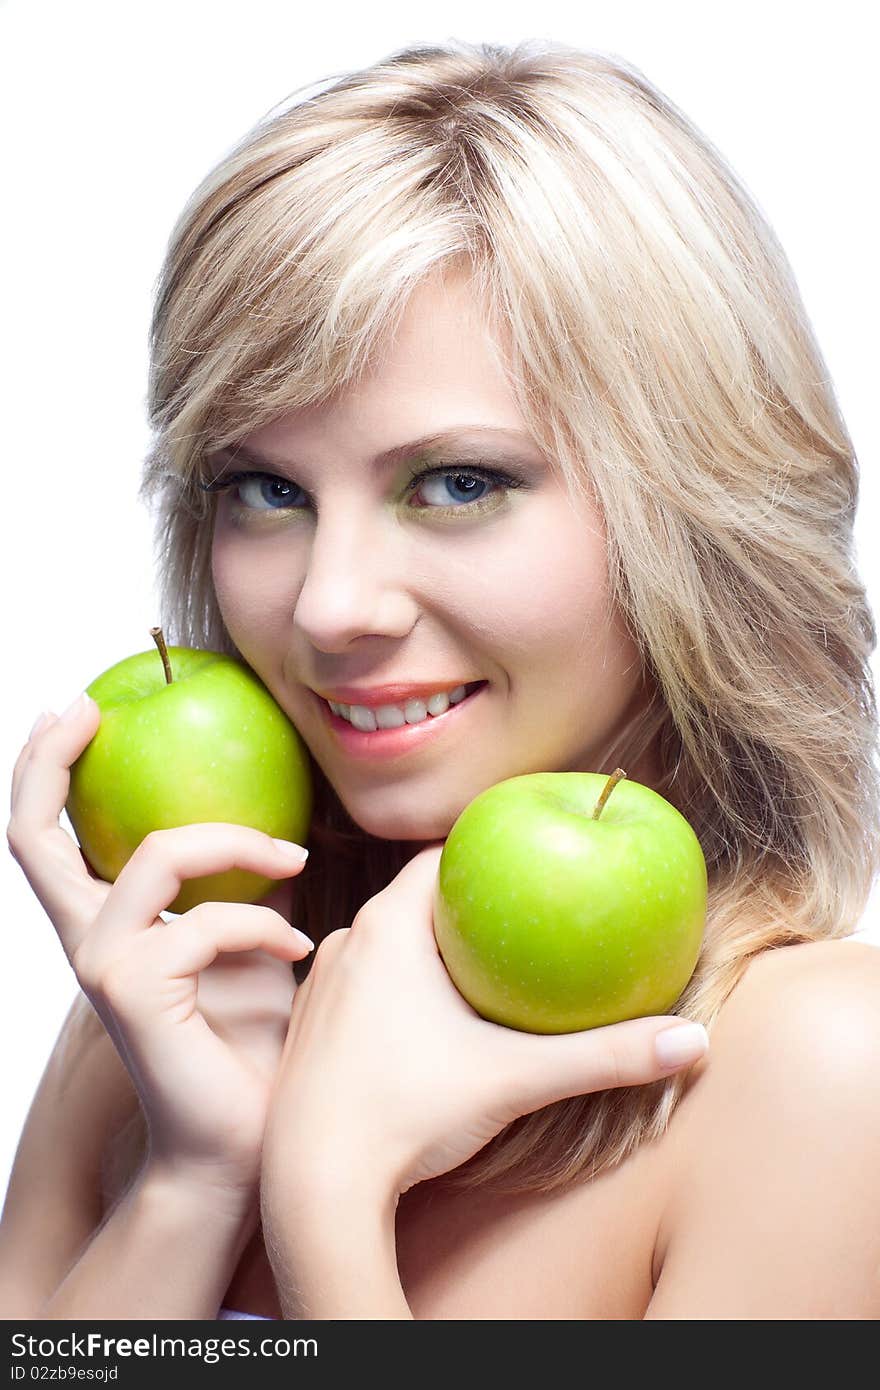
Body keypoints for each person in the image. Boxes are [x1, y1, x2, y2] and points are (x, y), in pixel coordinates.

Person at [3, 38, 880, 1321]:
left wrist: (324, 1205)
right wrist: (200, 1175)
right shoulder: (174, 1010)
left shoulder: (816, 1071)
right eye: (267, 490)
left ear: (686, 513)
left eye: (458, 483)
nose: (328, 604)